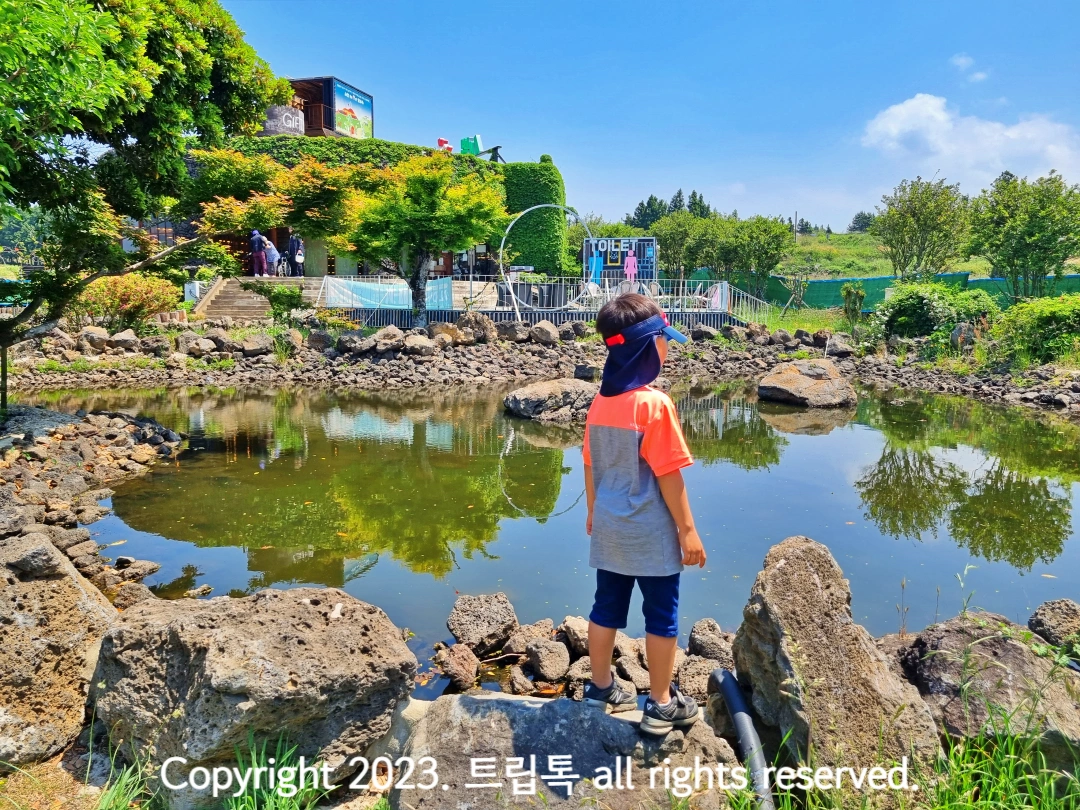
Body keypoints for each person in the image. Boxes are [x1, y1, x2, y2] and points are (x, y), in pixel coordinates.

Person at [581, 293, 706, 735]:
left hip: (611, 527)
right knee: (662, 617)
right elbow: (669, 476)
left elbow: (591, 463)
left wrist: (594, 511)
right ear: (647, 347)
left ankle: (599, 686)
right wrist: (687, 531)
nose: (667, 349)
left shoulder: (600, 402)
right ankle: (660, 703)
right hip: (651, 532)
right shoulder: (654, 406)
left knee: (605, 609)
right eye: (663, 341)